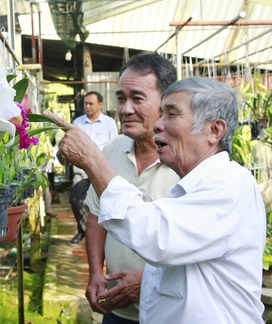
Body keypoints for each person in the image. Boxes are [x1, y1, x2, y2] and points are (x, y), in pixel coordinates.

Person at [45, 77, 266, 323]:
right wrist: (150, 278)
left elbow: (154, 234)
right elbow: (192, 270)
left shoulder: (227, 187)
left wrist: (92, 159)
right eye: (161, 113)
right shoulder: (197, 184)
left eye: (171, 114)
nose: (158, 124)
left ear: (214, 130)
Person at [84, 52, 179, 324]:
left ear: (166, 101)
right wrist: (95, 273)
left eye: (137, 98)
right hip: (118, 309)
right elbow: (96, 216)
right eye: (121, 98)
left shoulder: (185, 162)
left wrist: (147, 280)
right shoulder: (111, 151)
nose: (125, 109)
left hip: (169, 311)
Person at [70, 91, 118, 244]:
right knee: (75, 200)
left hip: (102, 168)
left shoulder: (109, 123)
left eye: (91, 103)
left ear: (100, 105)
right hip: (82, 168)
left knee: (107, 202)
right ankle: (83, 229)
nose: (87, 106)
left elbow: (115, 146)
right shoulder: (77, 123)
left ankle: (108, 236)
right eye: (86, 104)